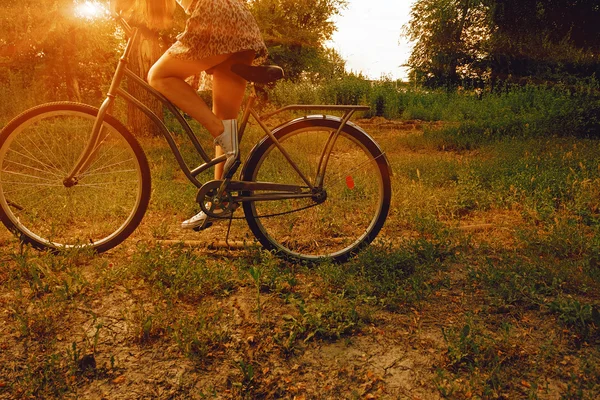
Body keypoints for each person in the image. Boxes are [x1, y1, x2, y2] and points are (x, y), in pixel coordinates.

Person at [112, 0, 267, 229]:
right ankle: (219, 200)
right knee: (226, 117)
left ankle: (218, 130)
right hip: (239, 19)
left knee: (158, 76)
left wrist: (120, 7)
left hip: (215, 15)